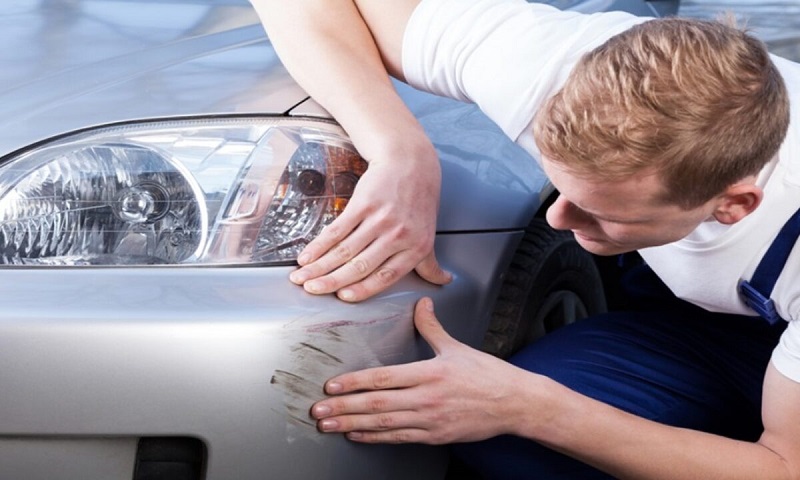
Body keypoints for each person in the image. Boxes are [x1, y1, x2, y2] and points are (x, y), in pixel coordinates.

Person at [251, 0, 800, 478]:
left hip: (773, 333)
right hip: (701, 326)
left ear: (734, 204)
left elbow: (784, 467)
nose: (558, 220)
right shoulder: (544, 63)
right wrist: (400, 150)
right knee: (502, 442)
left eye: (602, 211)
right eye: (562, 186)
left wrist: (533, 407)